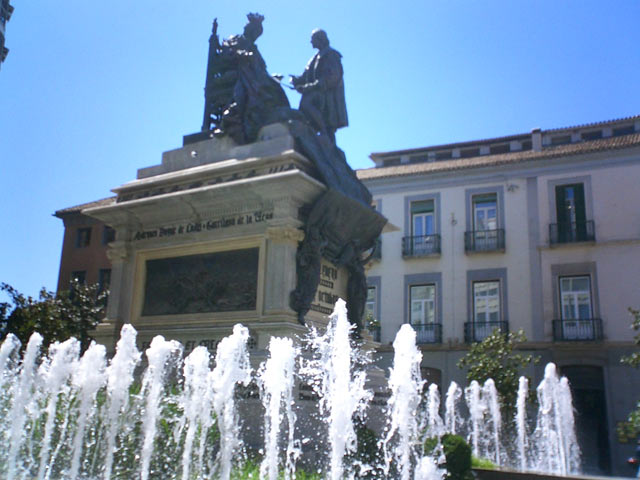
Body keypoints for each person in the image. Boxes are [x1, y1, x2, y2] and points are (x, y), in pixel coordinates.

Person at [291, 29, 348, 144]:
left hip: (327, 97)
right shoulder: (314, 58)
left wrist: (311, 87)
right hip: (318, 93)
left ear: (320, 39)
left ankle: (323, 132)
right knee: (305, 105)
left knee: (306, 103)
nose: (311, 42)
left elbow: (332, 77)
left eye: (313, 39)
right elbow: (305, 76)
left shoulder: (331, 55)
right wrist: (296, 80)